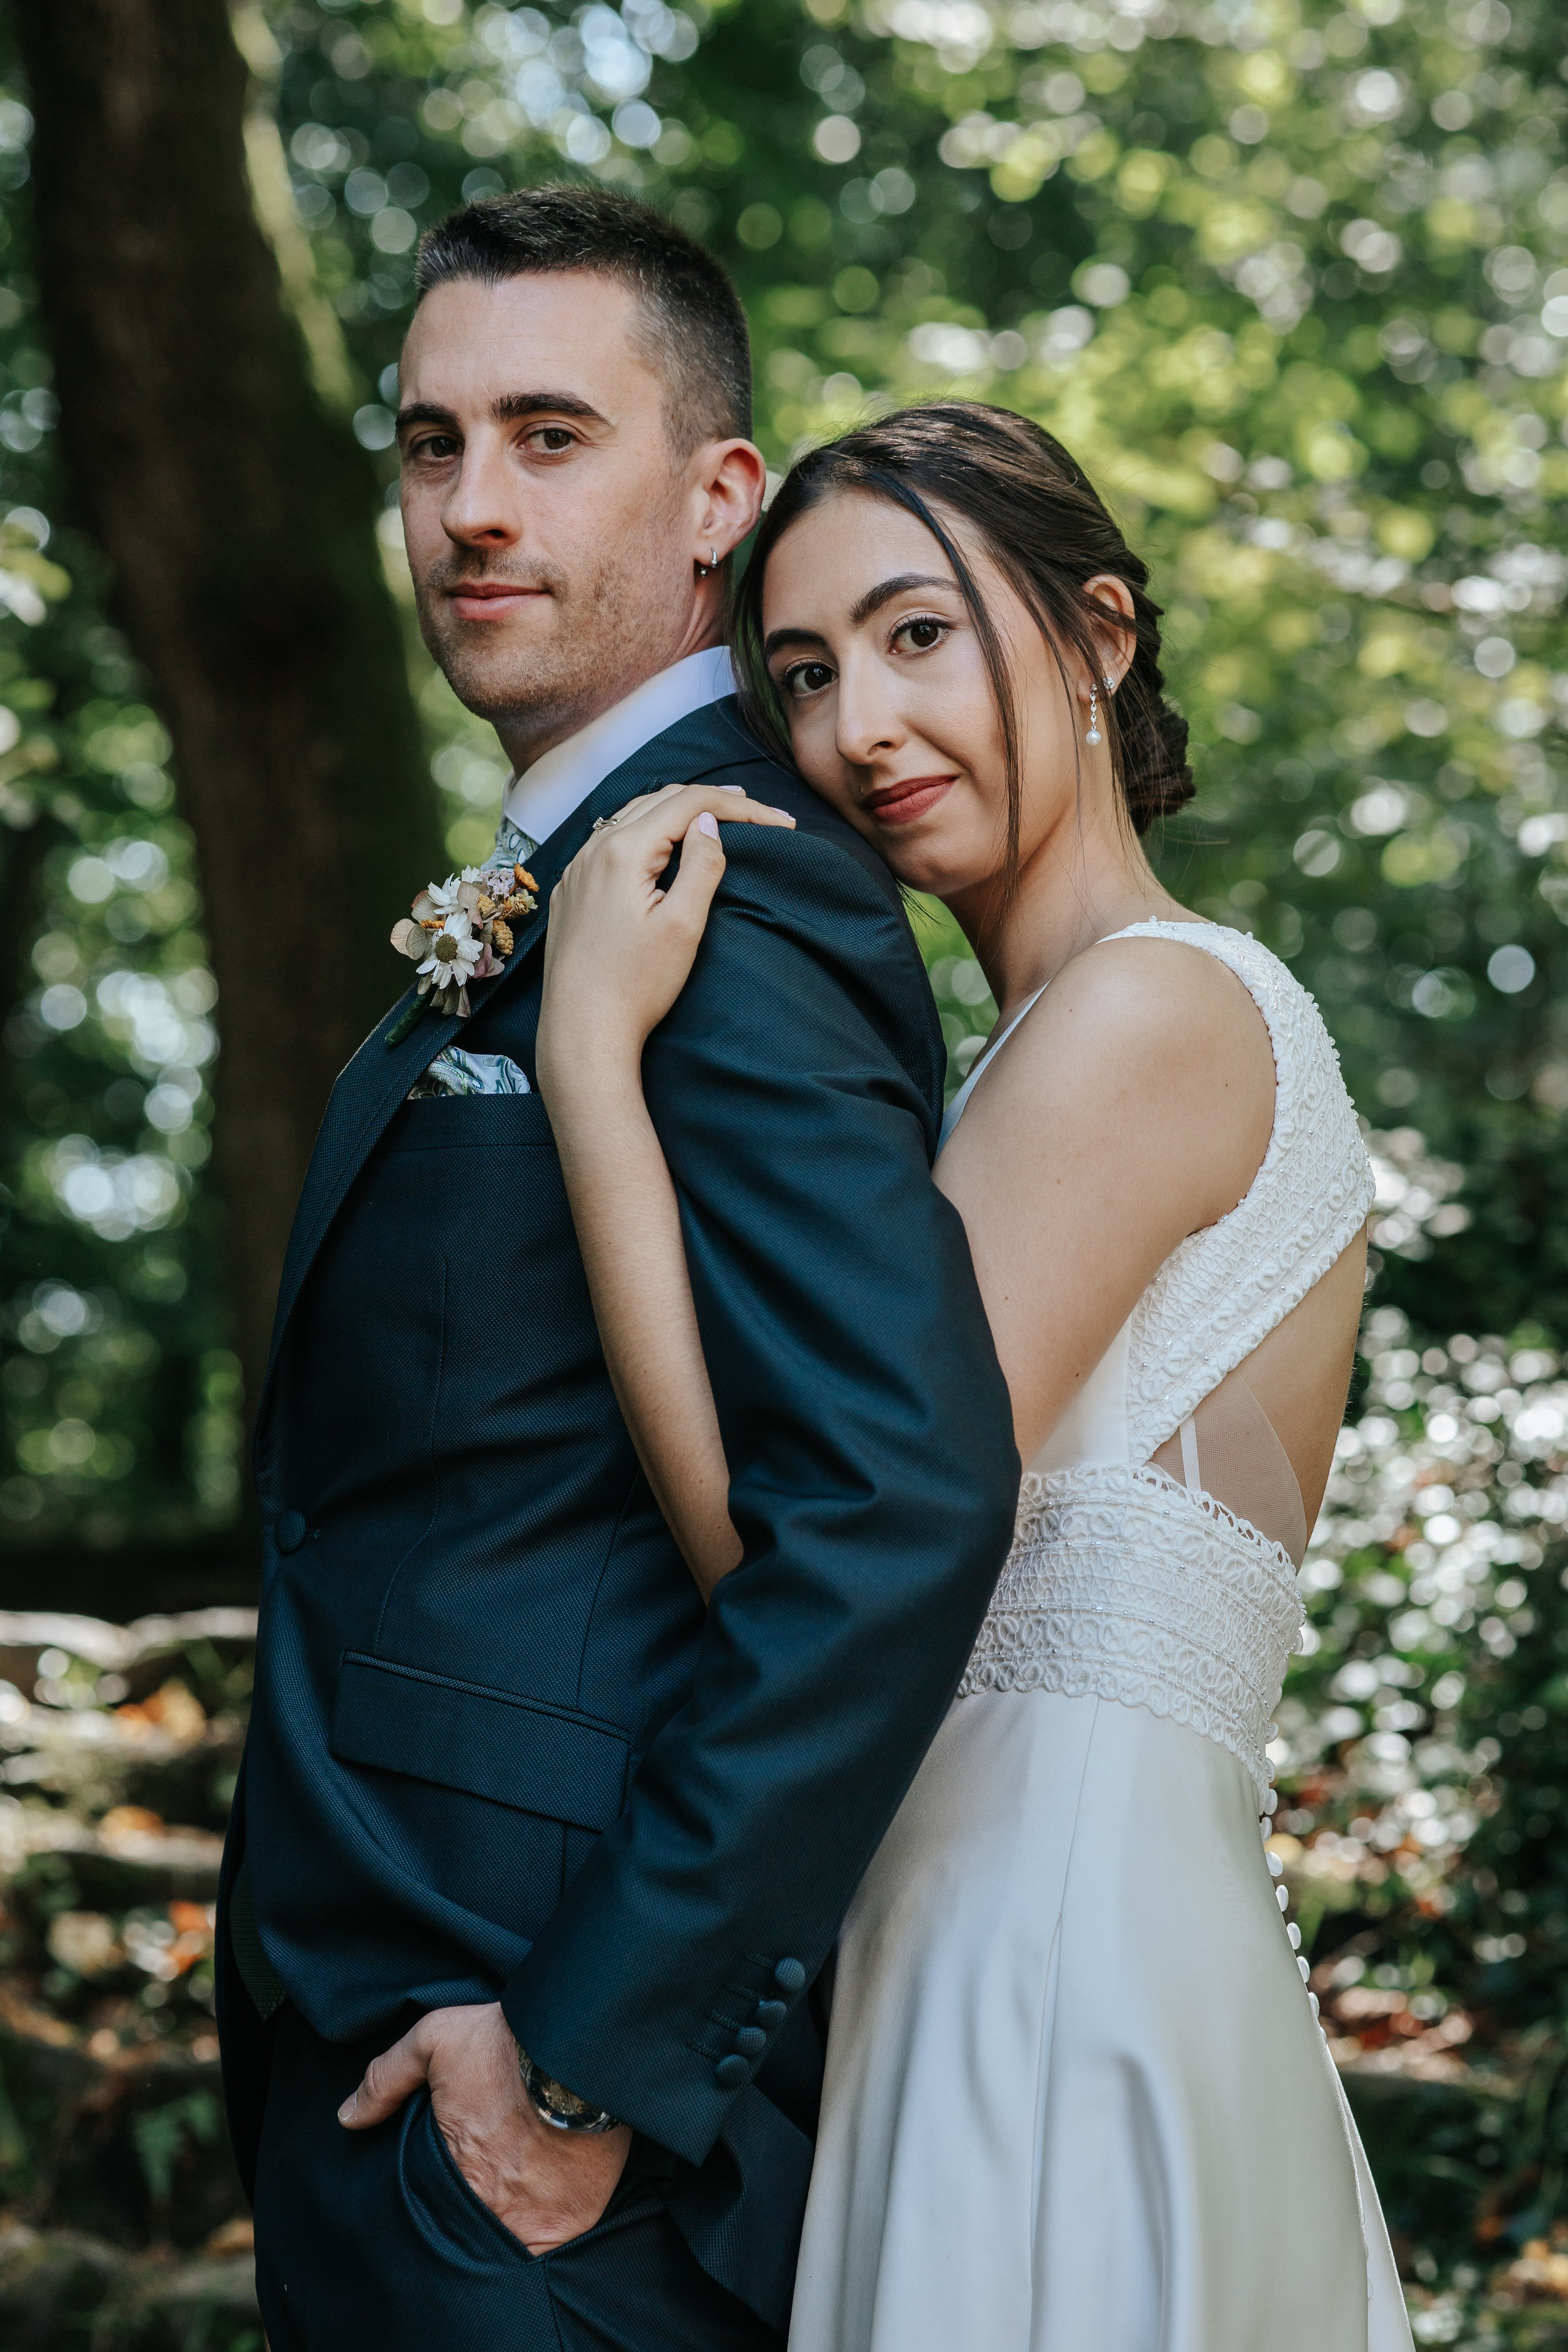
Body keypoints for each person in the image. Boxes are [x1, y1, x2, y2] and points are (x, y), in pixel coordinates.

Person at [214, 195, 1020, 2350]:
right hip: (375, 2038)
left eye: (551, 435)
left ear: (718, 499)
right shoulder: (555, 872)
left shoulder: (733, 890)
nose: (471, 507)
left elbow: (899, 1503)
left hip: (551, 2138)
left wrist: (592, 2063)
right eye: (427, 444)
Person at [535, 401, 1415, 2351]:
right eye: (807, 672)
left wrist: (592, 1077)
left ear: (1101, 634)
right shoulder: (1052, 1055)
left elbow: (804, 1557)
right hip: (1028, 1946)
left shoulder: (1146, 1015)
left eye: (920, 633)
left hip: (1052, 1969)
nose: (858, 727)